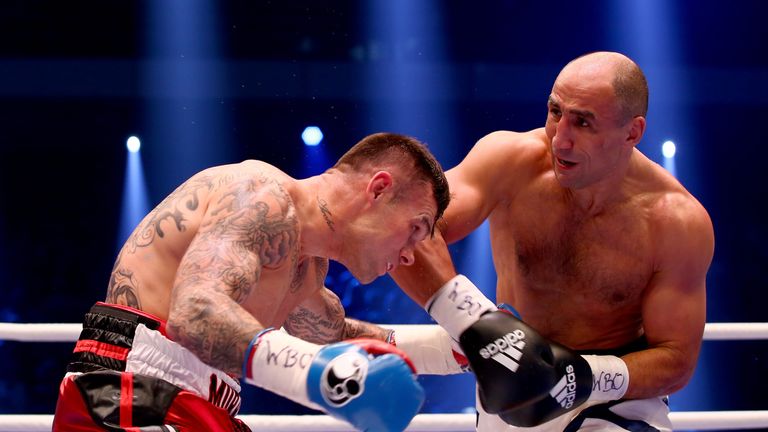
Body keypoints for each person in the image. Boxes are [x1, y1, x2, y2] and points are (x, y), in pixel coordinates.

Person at [389, 51, 715, 431]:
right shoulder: (509, 162)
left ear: (633, 132)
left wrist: (581, 376)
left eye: (583, 122)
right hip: (509, 385)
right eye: (555, 111)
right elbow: (405, 229)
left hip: (613, 400)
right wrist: (479, 325)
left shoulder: (675, 221)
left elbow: (676, 360)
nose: (560, 140)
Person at [52, 132, 451, 432]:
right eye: (416, 229)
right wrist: (316, 376)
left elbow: (331, 338)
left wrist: (454, 349)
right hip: (132, 389)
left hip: (202, 403)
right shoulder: (261, 194)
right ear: (379, 189)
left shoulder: (308, 268)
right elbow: (194, 313)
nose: (410, 255)